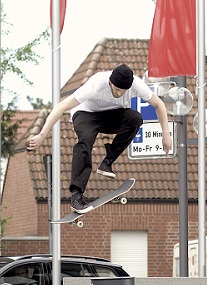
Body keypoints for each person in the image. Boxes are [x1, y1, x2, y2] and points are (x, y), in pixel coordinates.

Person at [27, 64, 173, 213]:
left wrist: (166, 134)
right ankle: (76, 195)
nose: (118, 93)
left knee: (135, 118)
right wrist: (42, 135)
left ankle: (107, 162)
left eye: (123, 91)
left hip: (111, 116)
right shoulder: (96, 84)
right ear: (110, 82)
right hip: (85, 114)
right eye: (116, 89)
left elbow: (159, 104)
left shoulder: (137, 85)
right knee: (85, 141)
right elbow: (61, 107)